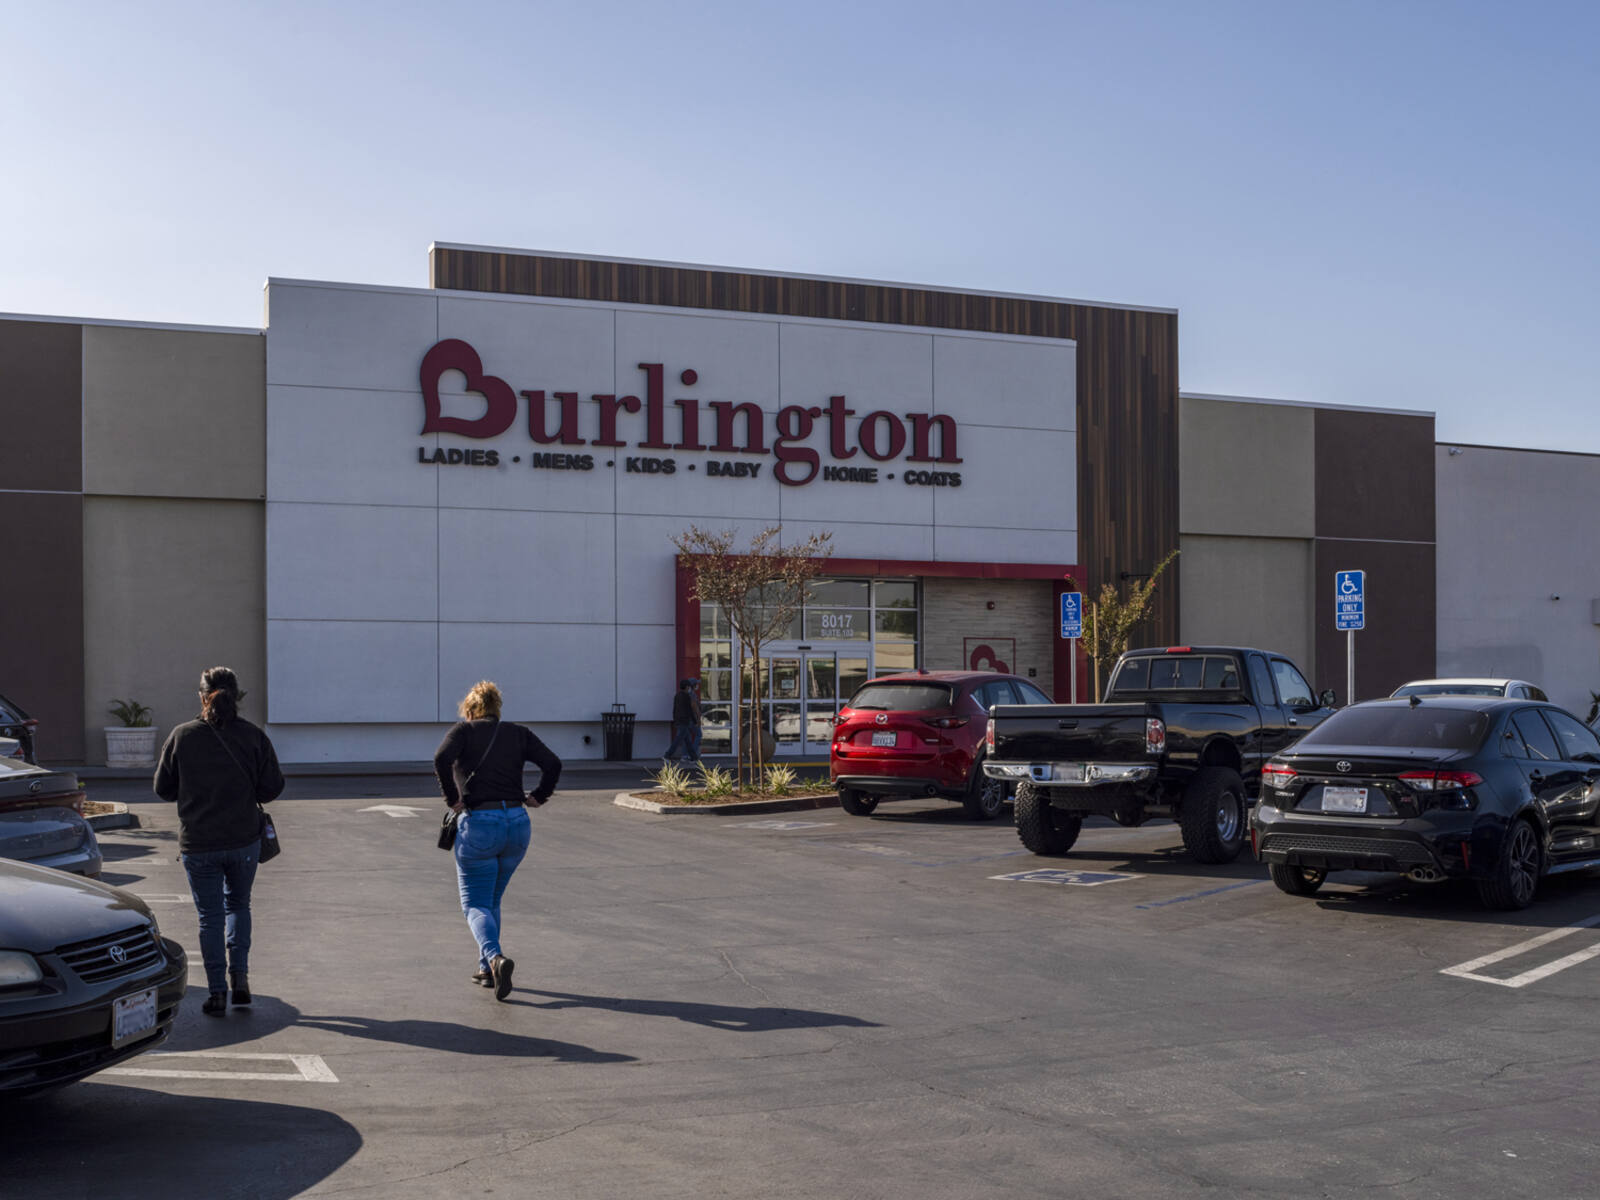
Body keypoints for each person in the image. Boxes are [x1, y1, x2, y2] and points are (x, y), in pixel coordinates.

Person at [154, 666, 284, 1016]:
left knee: (209, 917)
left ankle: (216, 993)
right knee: (239, 906)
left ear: (201, 695)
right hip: (244, 840)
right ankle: (240, 980)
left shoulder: (182, 736)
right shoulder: (253, 736)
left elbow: (162, 788)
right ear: (237, 696)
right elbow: (272, 787)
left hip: (199, 842)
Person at [433, 680, 561, 1000]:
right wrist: (538, 796)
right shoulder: (518, 733)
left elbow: (440, 759)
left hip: (480, 823)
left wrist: (453, 798)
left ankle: (494, 958)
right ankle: (487, 970)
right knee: (491, 900)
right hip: (517, 823)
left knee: (475, 903)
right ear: (496, 708)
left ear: (472, 709)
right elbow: (553, 763)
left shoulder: (463, 732)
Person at [664, 678, 701, 764]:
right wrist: (695, 721)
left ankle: (693, 757)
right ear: (687, 687)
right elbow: (689, 710)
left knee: (687, 740)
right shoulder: (687, 696)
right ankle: (667, 755)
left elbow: (675, 709)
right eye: (689, 687)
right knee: (678, 739)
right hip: (684, 721)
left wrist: (675, 720)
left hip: (679, 721)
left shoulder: (677, 695)